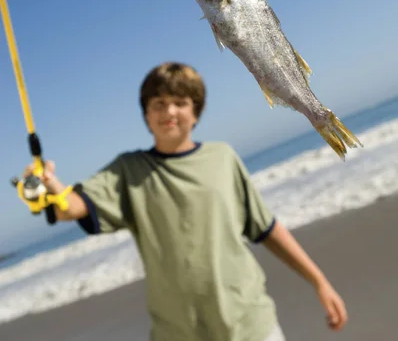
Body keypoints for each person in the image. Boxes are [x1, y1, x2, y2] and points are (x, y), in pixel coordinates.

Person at [24, 62, 347, 341]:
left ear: (196, 111)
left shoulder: (223, 157)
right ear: (146, 114)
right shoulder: (128, 170)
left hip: (252, 326)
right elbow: (71, 207)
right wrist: (47, 187)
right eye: (159, 103)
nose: (169, 111)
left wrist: (319, 281)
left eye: (179, 102)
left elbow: (266, 228)